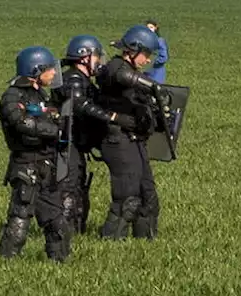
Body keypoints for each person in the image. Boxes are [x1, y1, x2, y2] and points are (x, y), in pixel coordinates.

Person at [0, 46, 72, 262]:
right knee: (20, 217)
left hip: (47, 164)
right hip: (26, 164)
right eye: (50, 69)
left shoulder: (41, 95)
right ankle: (6, 261)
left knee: (56, 219)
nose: (55, 74)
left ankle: (59, 262)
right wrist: (54, 130)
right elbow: (21, 122)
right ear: (36, 70)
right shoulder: (12, 95)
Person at [94, 25, 165, 240]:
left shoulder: (131, 70)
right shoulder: (115, 68)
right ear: (132, 50)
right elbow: (121, 76)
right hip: (117, 139)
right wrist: (150, 85)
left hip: (135, 139)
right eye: (146, 55)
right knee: (127, 196)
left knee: (148, 195)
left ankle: (145, 240)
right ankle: (112, 240)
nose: (148, 60)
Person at [55, 35, 122, 234]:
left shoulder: (82, 79)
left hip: (76, 144)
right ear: (85, 57)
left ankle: (75, 230)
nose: (99, 61)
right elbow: (81, 105)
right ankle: (64, 232)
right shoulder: (73, 79)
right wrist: (112, 117)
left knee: (78, 186)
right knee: (69, 188)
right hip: (67, 145)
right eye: (96, 56)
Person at [144, 19, 169, 84]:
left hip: (157, 72)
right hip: (146, 71)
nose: (149, 29)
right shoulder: (145, 40)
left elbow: (164, 57)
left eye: (151, 27)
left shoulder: (159, 41)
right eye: (147, 28)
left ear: (155, 28)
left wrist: (152, 61)